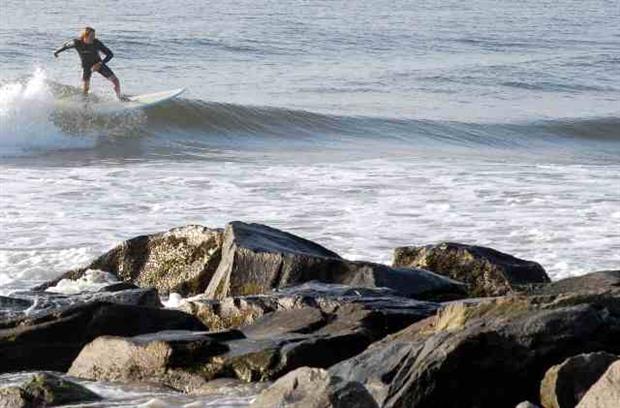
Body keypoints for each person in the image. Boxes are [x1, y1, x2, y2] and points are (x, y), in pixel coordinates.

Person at [54, 26, 127, 101]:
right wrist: (57, 51)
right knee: (86, 88)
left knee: (116, 81)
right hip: (86, 66)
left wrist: (99, 63)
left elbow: (110, 54)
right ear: (85, 35)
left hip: (98, 64)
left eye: (94, 35)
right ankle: (85, 104)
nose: (93, 38)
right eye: (91, 36)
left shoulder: (96, 43)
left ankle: (119, 97)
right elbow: (66, 46)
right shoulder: (77, 42)